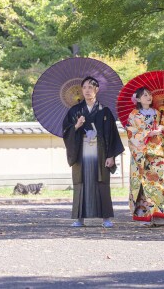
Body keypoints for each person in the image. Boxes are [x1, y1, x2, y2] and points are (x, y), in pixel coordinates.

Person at [62, 76, 125, 228]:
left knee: (102, 183)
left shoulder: (105, 111)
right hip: (81, 151)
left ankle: (106, 219)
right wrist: (77, 125)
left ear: (97, 89)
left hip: (100, 151)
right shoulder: (75, 111)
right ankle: (80, 219)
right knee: (81, 183)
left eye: (90, 87)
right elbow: (66, 131)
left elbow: (112, 135)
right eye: (84, 87)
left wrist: (111, 156)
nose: (87, 90)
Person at [125, 86, 164, 226]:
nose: (148, 97)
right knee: (144, 185)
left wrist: (163, 129)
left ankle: (161, 216)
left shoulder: (159, 114)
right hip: (143, 156)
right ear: (138, 99)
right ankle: (146, 216)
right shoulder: (133, 115)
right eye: (145, 95)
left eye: (149, 95)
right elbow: (131, 133)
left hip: (158, 154)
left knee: (161, 184)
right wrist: (148, 133)